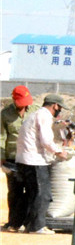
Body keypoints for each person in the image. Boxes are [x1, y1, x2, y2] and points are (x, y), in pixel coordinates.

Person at [15, 94, 70, 234]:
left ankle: (27, 224)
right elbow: (46, 141)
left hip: (23, 159)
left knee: (31, 193)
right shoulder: (44, 116)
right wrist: (59, 152)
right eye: (60, 108)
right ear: (55, 106)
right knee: (42, 194)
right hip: (35, 160)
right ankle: (37, 226)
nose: (59, 111)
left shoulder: (35, 114)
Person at [2, 86, 33, 231]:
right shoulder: (5, 114)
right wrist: (1, 157)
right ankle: (13, 222)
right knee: (15, 191)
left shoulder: (35, 110)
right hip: (12, 158)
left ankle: (28, 221)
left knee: (32, 190)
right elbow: (1, 137)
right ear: (14, 100)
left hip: (31, 157)